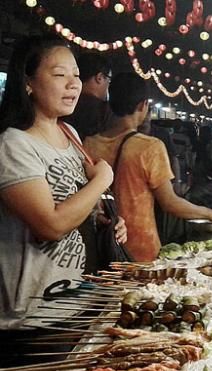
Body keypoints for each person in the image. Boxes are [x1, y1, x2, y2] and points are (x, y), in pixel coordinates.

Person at [0, 36, 126, 333]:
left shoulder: (69, 133)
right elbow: (51, 224)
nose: (73, 84)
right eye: (60, 75)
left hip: (76, 299)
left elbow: (75, 203)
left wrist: (105, 220)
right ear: (28, 82)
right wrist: (104, 180)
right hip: (31, 318)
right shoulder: (13, 145)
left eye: (76, 75)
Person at [84, 73, 212, 262]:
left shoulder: (89, 144)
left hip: (101, 248)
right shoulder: (149, 147)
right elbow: (170, 203)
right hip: (141, 252)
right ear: (142, 105)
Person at [62, 53, 113, 139]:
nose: (108, 85)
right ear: (99, 78)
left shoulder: (64, 105)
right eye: (109, 80)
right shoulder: (105, 112)